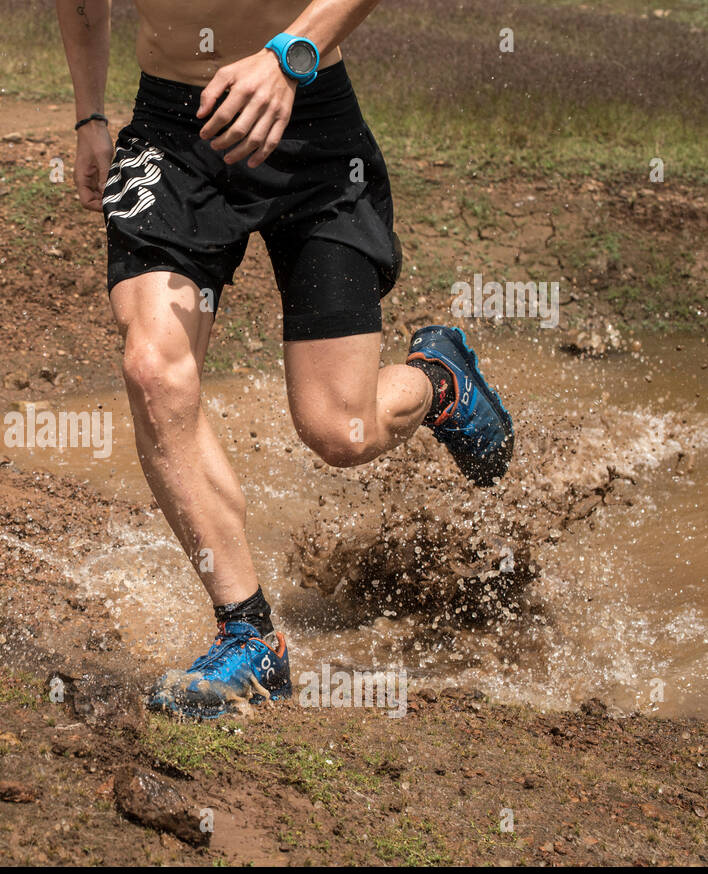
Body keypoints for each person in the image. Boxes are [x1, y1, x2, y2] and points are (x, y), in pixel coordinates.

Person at [55, 0, 514, 719]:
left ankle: (439, 381)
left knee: (339, 429)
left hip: (308, 126)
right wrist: (90, 115)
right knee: (153, 368)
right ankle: (250, 638)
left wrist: (286, 55)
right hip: (174, 136)